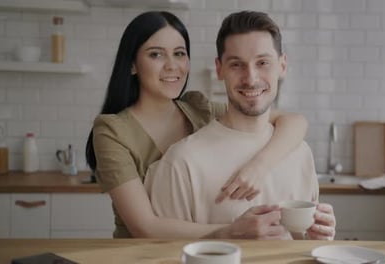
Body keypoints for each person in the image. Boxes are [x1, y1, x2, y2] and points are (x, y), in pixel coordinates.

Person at [85, 10, 311, 239]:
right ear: (132, 64)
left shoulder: (197, 108)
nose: (172, 65)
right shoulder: (112, 131)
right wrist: (232, 231)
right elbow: (145, 227)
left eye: (180, 53)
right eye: (156, 55)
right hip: (136, 252)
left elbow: (293, 121)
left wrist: (259, 166)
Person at [146, 10, 336, 240]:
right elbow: (159, 255)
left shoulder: (300, 153)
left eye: (263, 62)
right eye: (237, 64)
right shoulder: (182, 162)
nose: (251, 78)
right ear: (219, 69)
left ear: (282, 65)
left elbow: (300, 245)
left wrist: (317, 239)